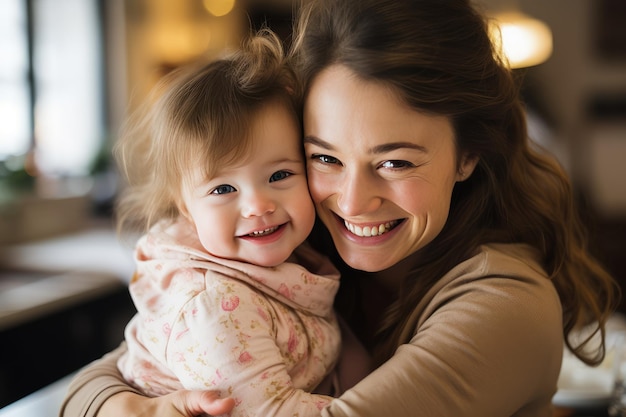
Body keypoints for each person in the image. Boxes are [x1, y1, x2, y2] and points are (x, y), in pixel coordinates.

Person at [60, 0, 620, 416]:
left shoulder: (504, 301)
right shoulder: (297, 250)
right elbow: (114, 368)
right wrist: (133, 407)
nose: (352, 202)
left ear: (468, 154)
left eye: (396, 163)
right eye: (324, 158)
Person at [102, 29, 350, 417]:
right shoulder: (213, 306)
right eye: (222, 189)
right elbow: (270, 412)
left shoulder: (288, 254)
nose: (257, 205)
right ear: (185, 207)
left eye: (280, 175)